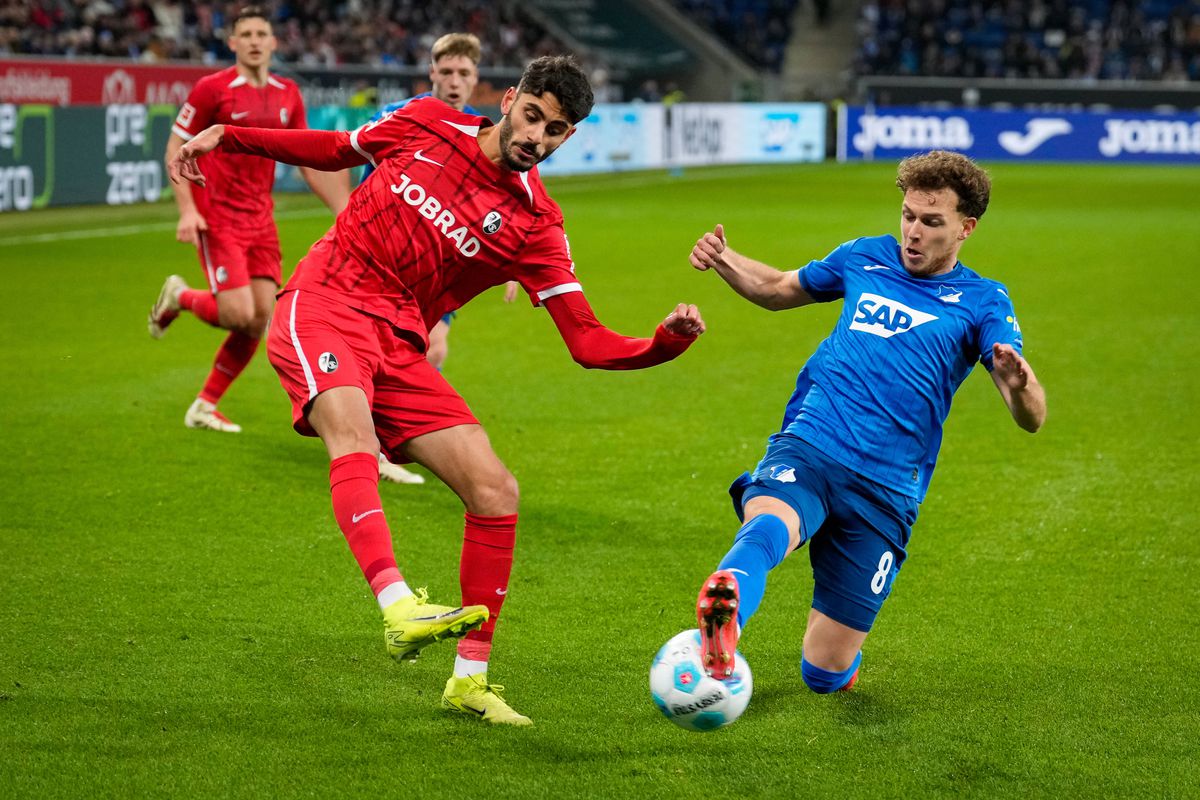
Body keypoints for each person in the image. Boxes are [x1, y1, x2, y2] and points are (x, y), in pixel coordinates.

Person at [169, 55, 706, 726]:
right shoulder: (427, 123)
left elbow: (588, 342)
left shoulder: (537, 226)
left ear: (569, 138)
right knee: (354, 435)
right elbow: (337, 151)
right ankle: (398, 606)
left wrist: (664, 342)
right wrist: (232, 134)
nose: (536, 136)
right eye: (533, 115)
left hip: (399, 344)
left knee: (495, 489)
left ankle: (470, 680)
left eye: (556, 130)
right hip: (326, 298)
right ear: (509, 100)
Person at [688, 150, 1045, 694]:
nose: (913, 232)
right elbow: (780, 288)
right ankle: (726, 607)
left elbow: (1032, 419)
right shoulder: (864, 256)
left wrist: (1020, 387)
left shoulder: (983, 300)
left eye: (932, 222)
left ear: (966, 228)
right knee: (767, 526)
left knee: (823, 672)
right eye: (907, 216)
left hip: (886, 489)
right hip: (813, 443)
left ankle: (837, 666)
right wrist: (724, 257)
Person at [148, 5, 348, 433]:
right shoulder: (210, 89)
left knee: (260, 319)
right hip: (217, 214)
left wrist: (340, 208)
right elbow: (174, 150)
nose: (256, 41)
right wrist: (187, 210)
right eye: (247, 34)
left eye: (262, 33)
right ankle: (180, 296)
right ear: (232, 42)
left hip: (261, 219)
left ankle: (204, 404)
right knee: (239, 313)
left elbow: (305, 158)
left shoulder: (287, 92)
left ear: (274, 42)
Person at [363, 32, 520, 486]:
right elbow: (359, 164)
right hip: (389, 255)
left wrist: (511, 265)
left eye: (464, 74)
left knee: (433, 348)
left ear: (476, 78)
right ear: (432, 72)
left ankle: (380, 438)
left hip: (441, 261)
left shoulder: (484, 131)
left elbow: (501, 201)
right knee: (387, 347)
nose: (454, 81)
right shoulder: (402, 116)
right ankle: (371, 441)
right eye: (446, 72)